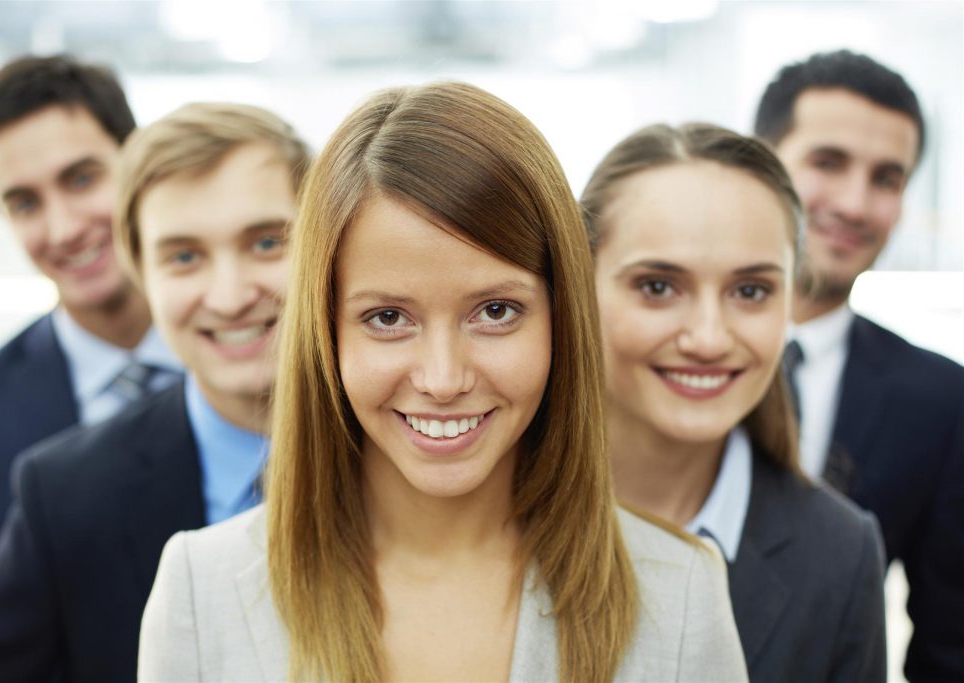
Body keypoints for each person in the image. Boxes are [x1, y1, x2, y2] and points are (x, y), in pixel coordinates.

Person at [137, 82, 748, 682]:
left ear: (563, 319)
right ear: (325, 333)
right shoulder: (201, 591)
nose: (443, 378)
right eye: (387, 318)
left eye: (496, 311)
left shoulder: (681, 594)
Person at [0, 103, 312, 683]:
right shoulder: (67, 494)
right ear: (141, 270)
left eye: (266, 243)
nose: (231, 294)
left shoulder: (415, 446)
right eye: (184, 257)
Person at [580, 122, 886, 682]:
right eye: (657, 286)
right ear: (579, 284)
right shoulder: (479, 508)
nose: (709, 338)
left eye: (751, 291)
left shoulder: (839, 555)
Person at [0, 54, 182, 627]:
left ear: (138, 162)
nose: (64, 228)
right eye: (25, 203)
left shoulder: (260, 360)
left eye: (82, 178)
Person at [755, 50, 964, 680]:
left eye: (886, 178)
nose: (854, 203)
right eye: (828, 162)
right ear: (762, 164)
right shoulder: (638, 355)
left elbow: (949, 648)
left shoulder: (939, 400)